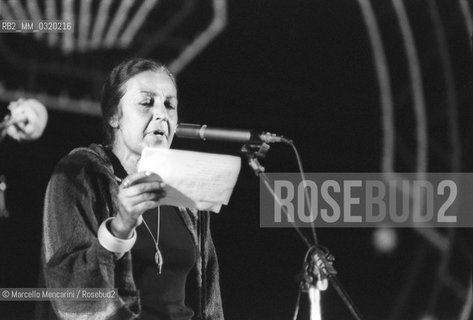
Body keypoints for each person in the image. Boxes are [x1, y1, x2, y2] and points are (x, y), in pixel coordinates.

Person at [37, 58, 224, 320]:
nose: (161, 114)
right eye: (146, 102)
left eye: (170, 105)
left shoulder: (185, 189)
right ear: (114, 115)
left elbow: (209, 295)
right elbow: (69, 287)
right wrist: (120, 228)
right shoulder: (79, 173)